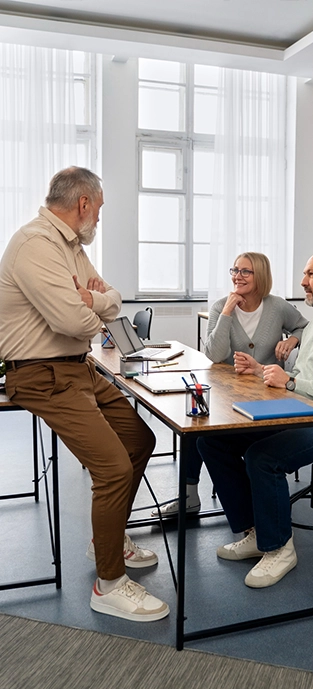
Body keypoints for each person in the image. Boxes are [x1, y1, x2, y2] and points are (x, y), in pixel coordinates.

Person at [0, 166, 169, 622]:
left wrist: (91, 299)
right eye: (100, 208)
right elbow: (74, 323)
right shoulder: (36, 245)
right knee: (113, 467)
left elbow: (114, 301)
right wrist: (93, 304)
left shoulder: (70, 246)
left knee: (140, 441)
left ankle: (107, 539)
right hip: (40, 374)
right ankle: (109, 583)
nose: (99, 218)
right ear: (84, 204)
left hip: (79, 367)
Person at [197, 251, 313, 588]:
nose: (302, 282)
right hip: (301, 413)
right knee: (211, 441)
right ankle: (255, 530)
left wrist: (292, 382)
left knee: (262, 457)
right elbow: (298, 375)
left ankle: (280, 547)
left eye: (310, 275)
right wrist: (263, 371)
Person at [156, 252, 308, 516]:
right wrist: (227, 311)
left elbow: (305, 327)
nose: (237, 276)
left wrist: (292, 340)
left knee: (214, 436)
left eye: (245, 271)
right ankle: (189, 495)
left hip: (267, 392)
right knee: (196, 422)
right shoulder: (219, 307)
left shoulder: (277, 306)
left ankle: (246, 495)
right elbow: (214, 354)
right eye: (235, 270)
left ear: (260, 275)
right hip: (228, 391)